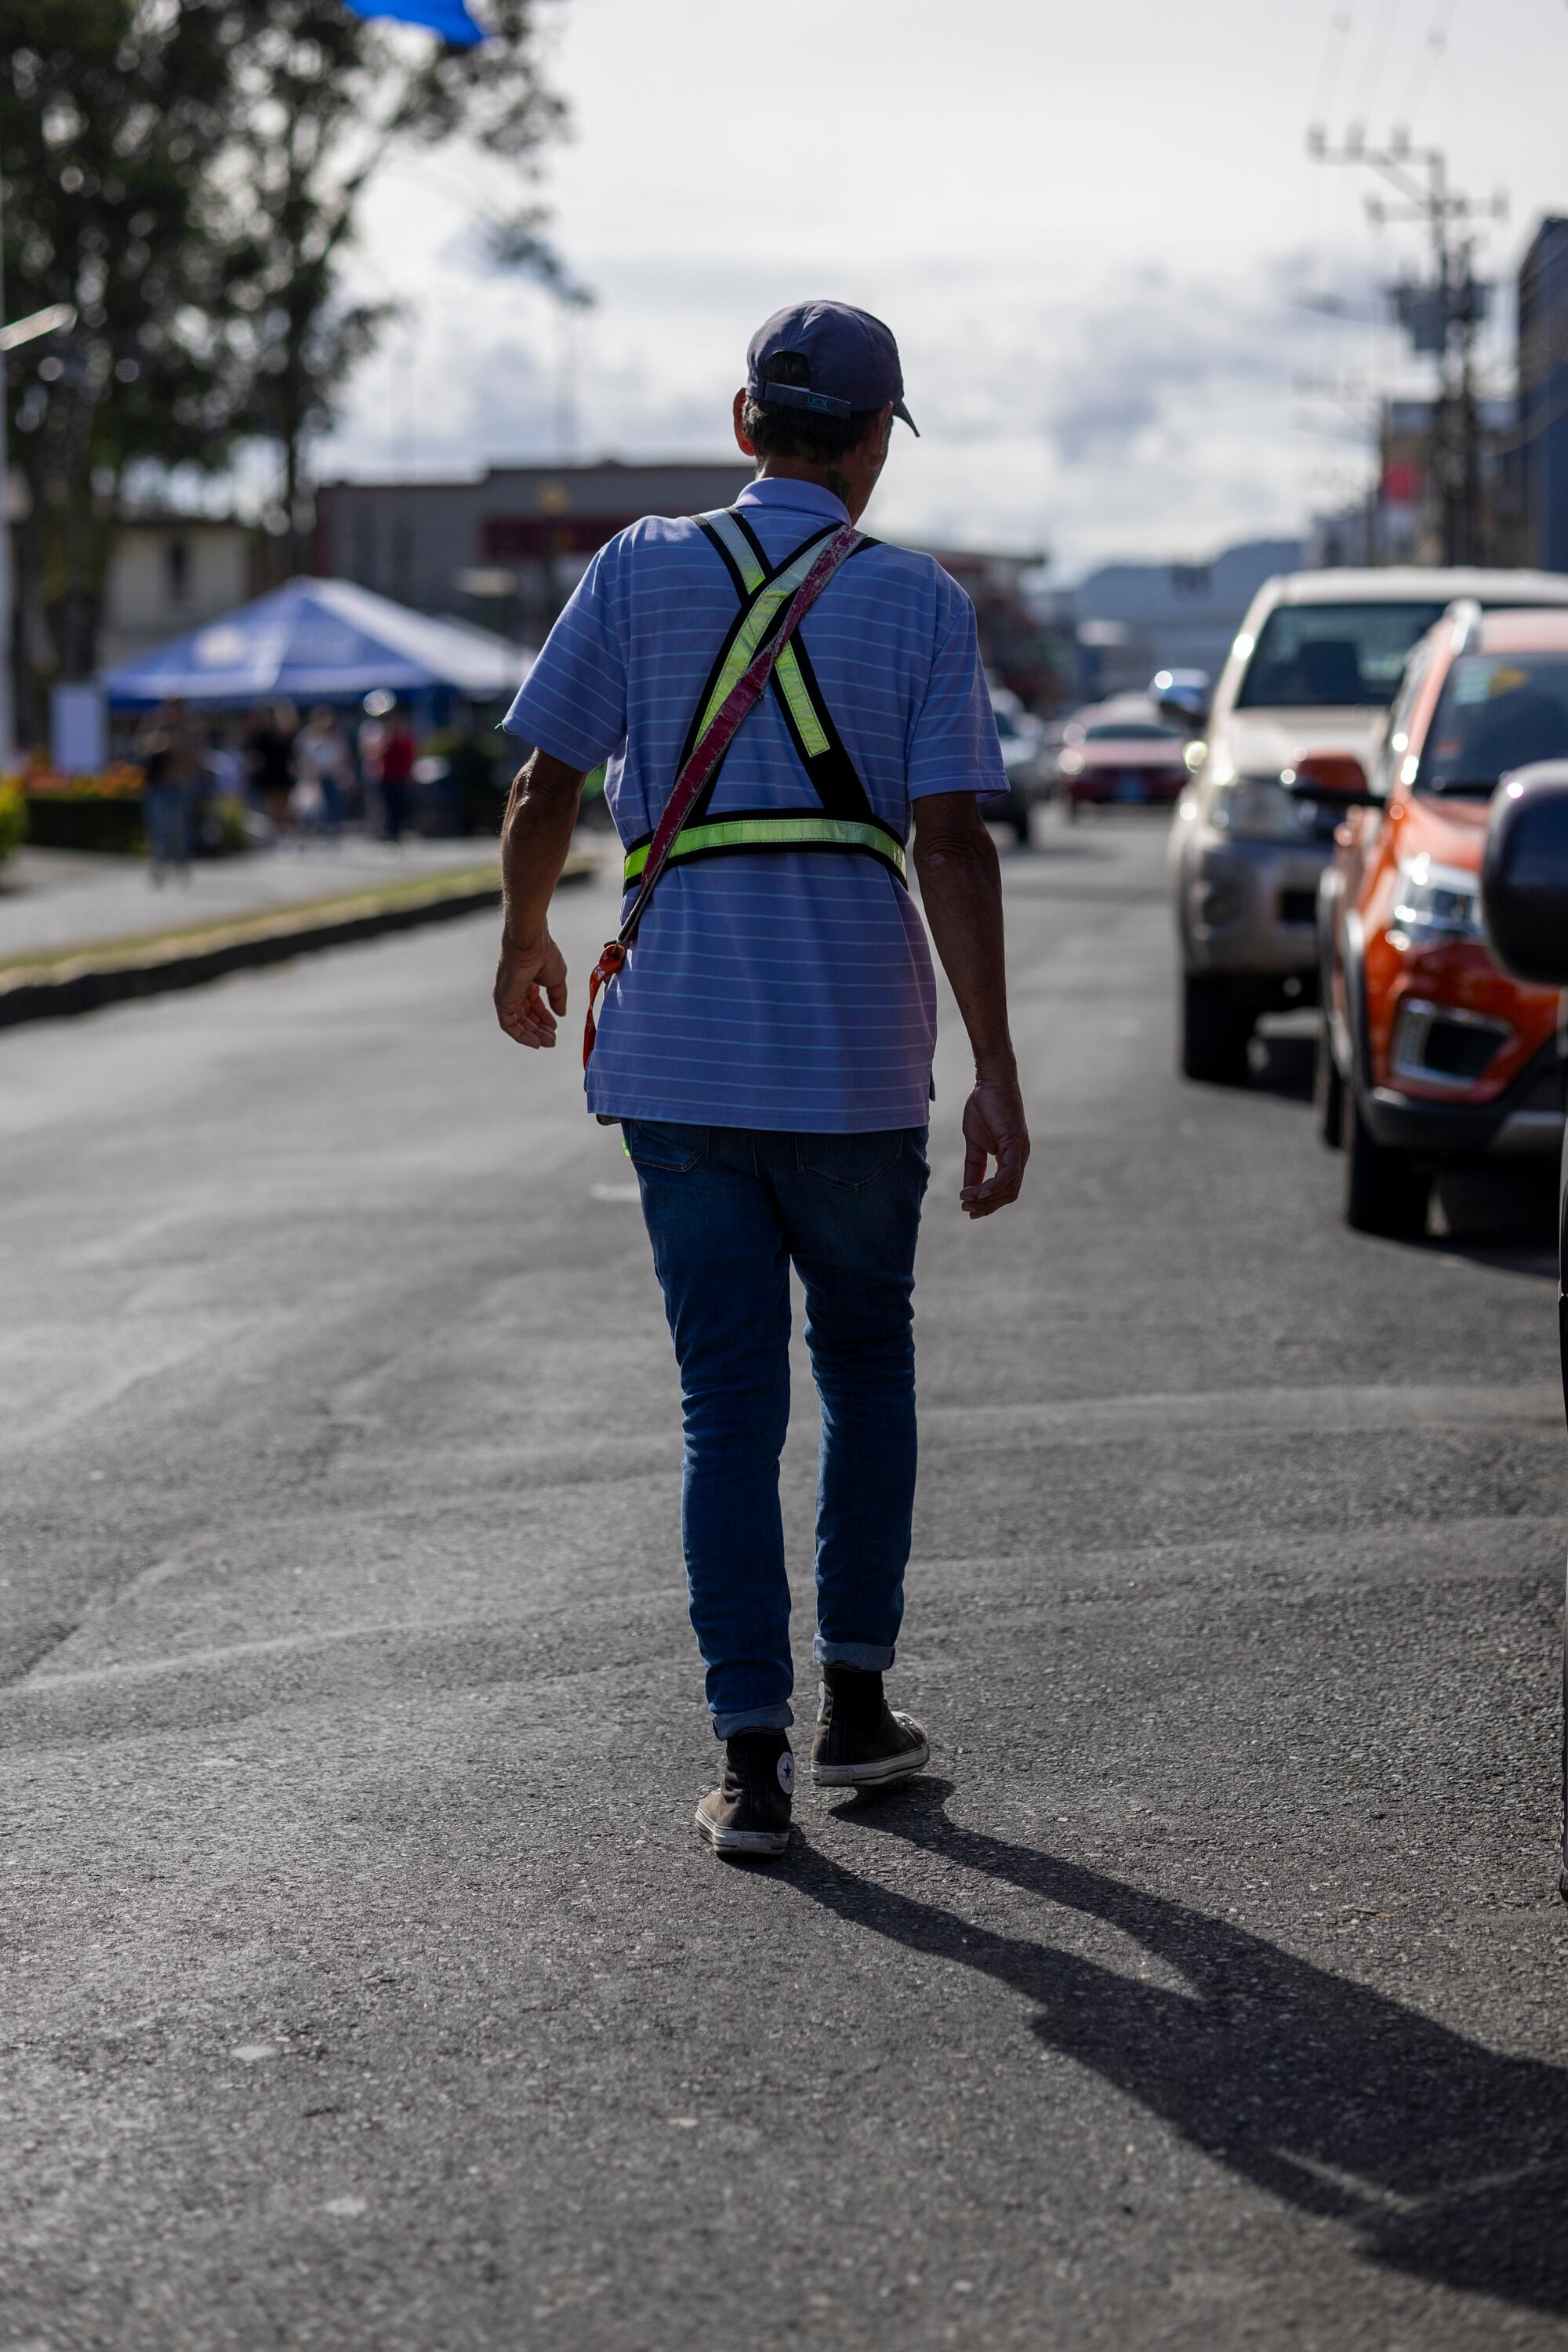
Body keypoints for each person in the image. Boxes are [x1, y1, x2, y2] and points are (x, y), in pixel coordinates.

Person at [492, 302, 1029, 1860]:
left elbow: (542, 778)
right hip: (861, 1065)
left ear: (744, 425)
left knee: (726, 1411)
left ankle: (748, 1763)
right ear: (873, 446)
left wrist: (527, 933)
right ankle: (856, 1706)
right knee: (865, 1368)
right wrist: (992, 1070)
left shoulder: (638, 570)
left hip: (679, 1060)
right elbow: (951, 839)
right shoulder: (918, 603)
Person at [136, 697, 202, 884]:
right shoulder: (155, 725)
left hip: (180, 785)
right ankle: (159, 865)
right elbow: (141, 748)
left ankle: (181, 865)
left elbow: (195, 758)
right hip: (157, 785)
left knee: (180, 828)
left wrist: (176, 749)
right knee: (159, 827)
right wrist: (159, 745)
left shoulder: (189, 729)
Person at [291, 706, 351, 842]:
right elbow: (300, 757)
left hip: (332, 776)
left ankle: (332, 834)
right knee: (310, 810)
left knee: (332, 806)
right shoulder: (306, 736)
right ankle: (311, 835)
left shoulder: (337, 735)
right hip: (312, 778)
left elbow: (343, 757)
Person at [245, 702, 297, 839]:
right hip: (271, 777)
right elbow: (254, 755)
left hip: (283, 776)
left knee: (285, 807)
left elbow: (293, 756)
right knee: (274, 807)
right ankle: (279, 834)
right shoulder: (263, 736)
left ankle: (285, 833)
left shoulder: (287, 736)